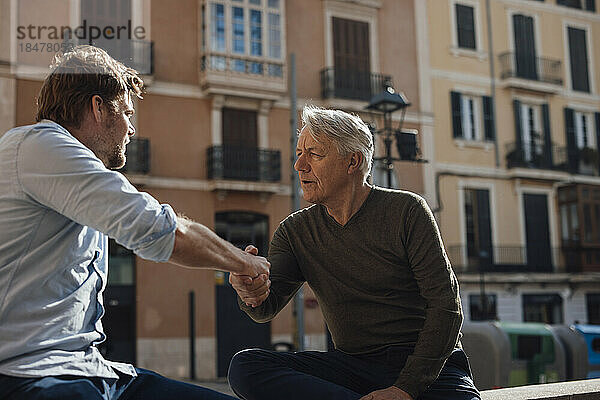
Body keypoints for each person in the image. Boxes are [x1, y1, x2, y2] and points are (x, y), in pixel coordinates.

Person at [0, 45, 269, 400]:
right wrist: (246, 262)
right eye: (127, 112)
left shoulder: (70, 175)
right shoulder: (39, 148)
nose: (131, 128)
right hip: (32, 376)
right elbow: (160, 231)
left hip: (89, 369)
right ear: (98, 108)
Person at [227, 106, 481, 400]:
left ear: (353, 162)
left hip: (431, 367)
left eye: (314, 154)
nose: (299, 165)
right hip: (351, 366)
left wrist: (404, 389)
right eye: (299, 152)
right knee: (246, 366)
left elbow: (447, 306)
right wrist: (251, 290)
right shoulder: (294, 231)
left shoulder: (407, 211)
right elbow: (265, 308)